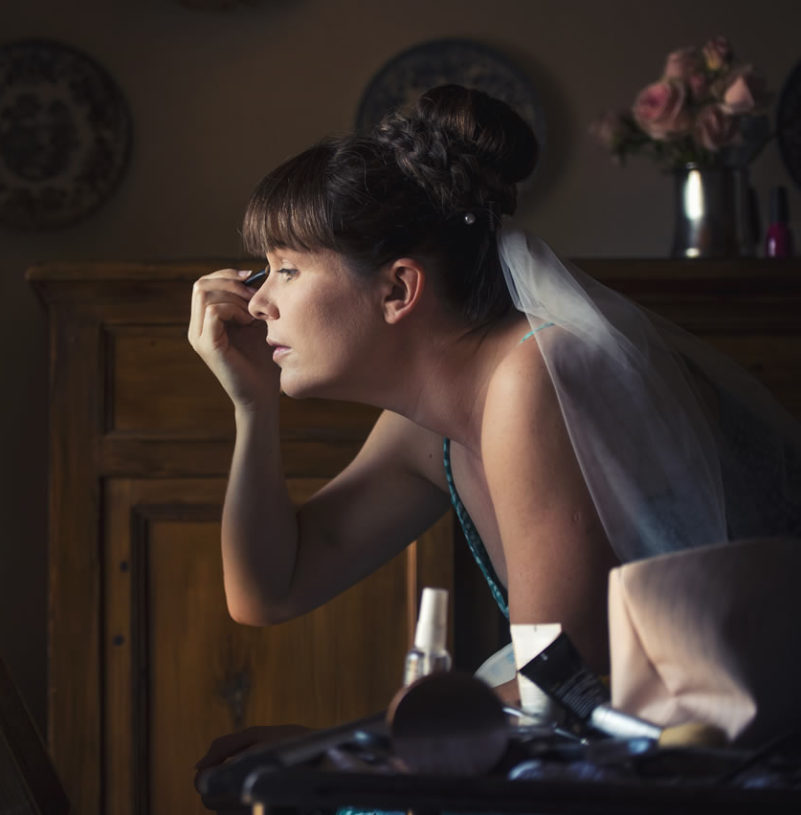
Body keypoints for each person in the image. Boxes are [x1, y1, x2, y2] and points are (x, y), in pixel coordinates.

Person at [187, 83, 801, 783]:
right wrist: (251, 406)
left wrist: (333, 749)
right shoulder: (427, 425)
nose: (258, 300)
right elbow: (267, 591)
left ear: (397, 289)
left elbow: (555, 690)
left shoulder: (533, 373)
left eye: (288, 269)